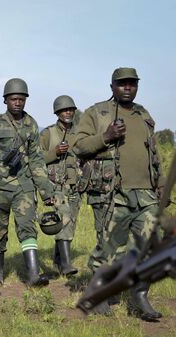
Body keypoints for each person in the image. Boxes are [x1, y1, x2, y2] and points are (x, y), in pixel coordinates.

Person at [73, 67, 163, 320]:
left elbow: (153, 153)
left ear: (137, 86)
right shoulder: (96, 112)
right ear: (112, 86)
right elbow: (78, 146)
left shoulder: (143, 114)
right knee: (110, 247)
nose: (127, 88)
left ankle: (139, 297)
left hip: (146, 193)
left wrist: (162, 182)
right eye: (122, 84)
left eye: (132, 84)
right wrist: (106, 136)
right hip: (112, 191)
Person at [0, 78, 55, 289]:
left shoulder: (31, 125)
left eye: (21, 99)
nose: (18, 103)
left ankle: (34, 274)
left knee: (27, 227)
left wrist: (45, 190)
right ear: (6, 100)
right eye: (13, 99)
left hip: (23, 187)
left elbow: (37, 160)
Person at [39, 95, 82, 276]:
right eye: (65, 110)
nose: (68, 112)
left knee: (70, 222)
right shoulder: (48, 133)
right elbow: (36, 160)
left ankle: (58, 259)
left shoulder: (80, 133)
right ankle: (66, 265)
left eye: (71, 109)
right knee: (64, 220)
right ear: (57, 112)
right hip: (56, 185)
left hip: (76, 186)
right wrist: (54, 153)